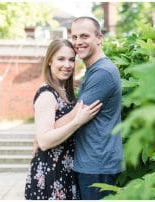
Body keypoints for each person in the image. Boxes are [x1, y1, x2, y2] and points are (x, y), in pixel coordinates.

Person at [25, 39, 102, 200]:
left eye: (71, 60)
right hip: (49, 175)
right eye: (61, 59)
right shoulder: (47, 94)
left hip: (65, 171)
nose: (67, 65)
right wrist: (77, 122)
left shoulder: (65, 92)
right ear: (49, 61)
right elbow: (44, 141)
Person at [70, 16, 124, 200]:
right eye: (74, 37)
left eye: (84, 36)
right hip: (93, 163)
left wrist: (43, 133)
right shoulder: (94, 70)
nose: (78, 42)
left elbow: (75, 116)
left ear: (99, 38)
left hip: (97, 165)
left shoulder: (102, 72)